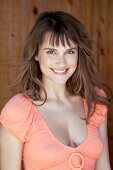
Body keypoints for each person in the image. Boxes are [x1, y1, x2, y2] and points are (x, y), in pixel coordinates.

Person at [0, 11, 112, 170]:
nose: (61, 62)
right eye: (51, 52)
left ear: (78, 53)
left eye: (70, 51)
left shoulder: (95, 99)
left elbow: (104, 166)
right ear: (36, 54)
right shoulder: (18, 111)